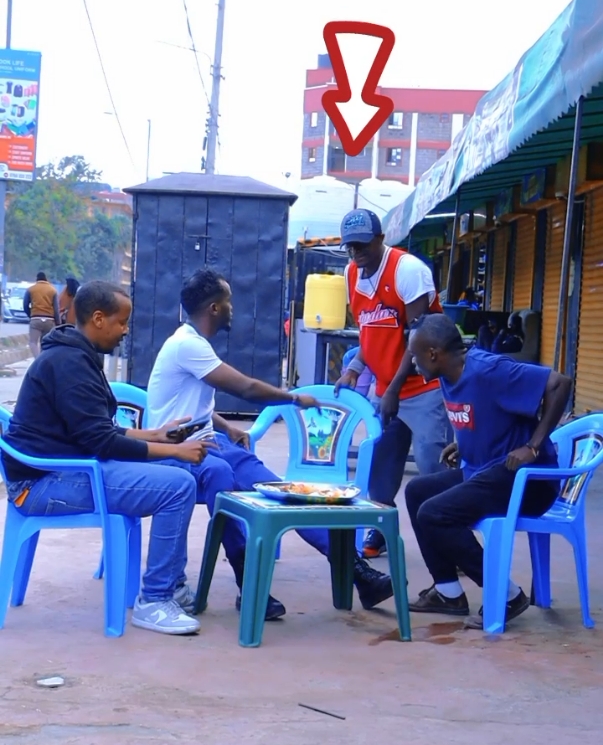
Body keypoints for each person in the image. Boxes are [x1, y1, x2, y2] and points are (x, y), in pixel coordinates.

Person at [146, 268, 395, 621]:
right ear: (214, 308)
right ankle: (249, 581)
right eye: (228, 301)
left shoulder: (194, 344)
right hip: (178, 451)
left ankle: (356, 571)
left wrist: (228, 427)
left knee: (284, 492)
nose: (233, 308)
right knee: (223, 482)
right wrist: (293, 398)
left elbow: (191, 405)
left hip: (210, 441)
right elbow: (245, 388)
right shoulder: (186, 344)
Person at [2, 280, 216, 637]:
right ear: (98, 319)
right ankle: (156, 600)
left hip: (63, 469)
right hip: (42, 484)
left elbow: (95, 431)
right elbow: (101, 441)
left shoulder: (75, 355)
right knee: (179, 484)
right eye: (122, 322)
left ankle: (170, 584)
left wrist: (156, 436)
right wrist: (175, 449)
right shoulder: (68, 363)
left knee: (177, 470)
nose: (125, 331)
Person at [404, 313, 571, 629]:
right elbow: (481, 414)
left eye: (414, 355)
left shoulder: (490, 370)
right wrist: (464, 443)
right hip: (486, 471)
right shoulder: (446, 375)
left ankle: (506, 595)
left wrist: (533, 446)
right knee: (416, 491)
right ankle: (448, 592)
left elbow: (559, 383)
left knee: (435, 514)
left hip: (528, 481)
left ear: (433, 354)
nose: (412, 363)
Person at [335, 208, 453, 559]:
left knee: (434, 468)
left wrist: (395, 389)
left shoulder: (408, 270)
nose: (356, 253)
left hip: (425, 386)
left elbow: (419, 336)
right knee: (382, 464)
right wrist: (355, 368)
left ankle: (451, 538)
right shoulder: (351, 274)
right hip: (388, 387)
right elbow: (371, 332)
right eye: (350, 247)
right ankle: (382, 526)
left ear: (381, 239)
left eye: (362, 245)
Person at [23, 272, 61, 358]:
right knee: (45, 343)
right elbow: (56, 309)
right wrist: (58, 324)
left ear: (37, 279)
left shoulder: (31, 289)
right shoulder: (53, 290)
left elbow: (25, 305)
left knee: (33, 342)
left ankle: (37, 359)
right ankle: (43, 360)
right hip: (49, 321)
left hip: (35, 319)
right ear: (46, 279)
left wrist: (31, 315)